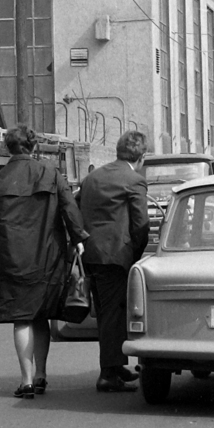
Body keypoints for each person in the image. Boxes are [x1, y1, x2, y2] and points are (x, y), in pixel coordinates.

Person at [0, 125, 87, 399]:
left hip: (13, 257)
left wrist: (3, 238)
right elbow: (69, 209)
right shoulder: (50, 173)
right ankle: (41, 375)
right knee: (42, 317)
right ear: (34, 147)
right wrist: (79, 240)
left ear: (7, 149)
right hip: (48, 256)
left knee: (21, 318)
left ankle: (25, 381)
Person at [77, 129, 151, 392]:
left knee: (109, 312)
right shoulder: (134, 180)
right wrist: (136, 255)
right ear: (141, 157)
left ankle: (115, 365)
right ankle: (108, 374)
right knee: (112, 314)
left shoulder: (92, 177)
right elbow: (141, 224)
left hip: (92, 254)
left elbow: (76, 210)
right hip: (116, 256)